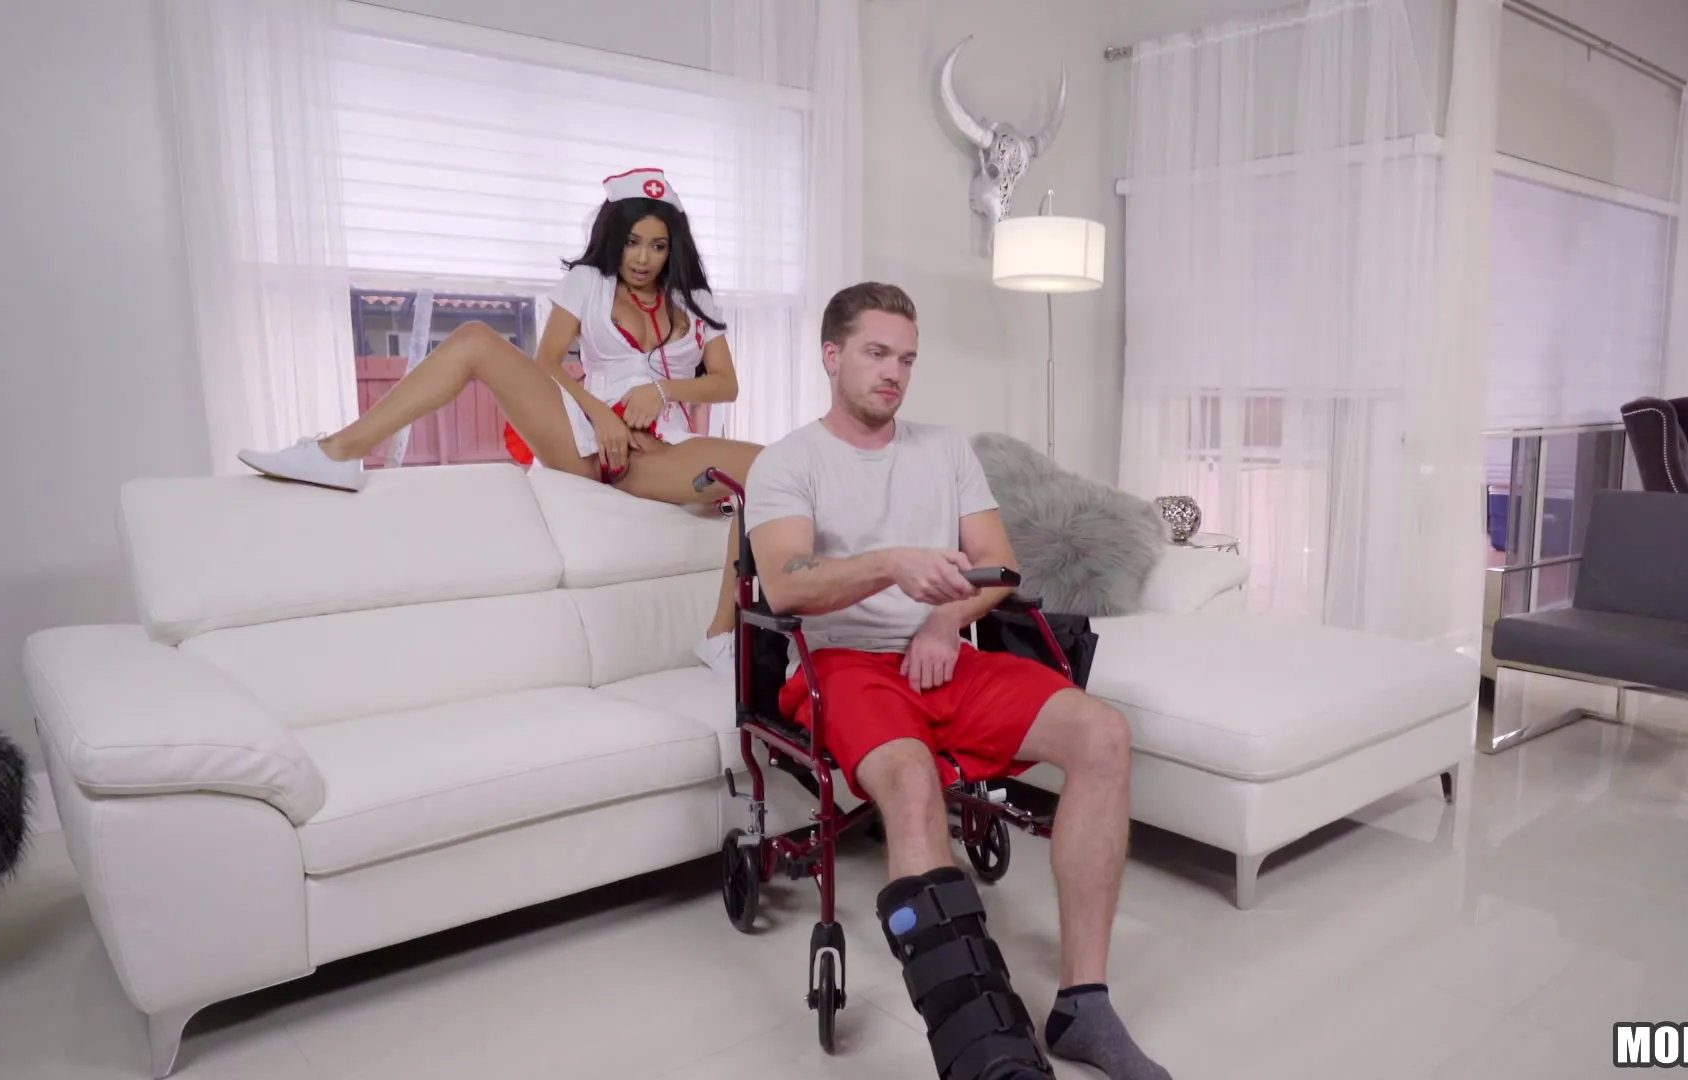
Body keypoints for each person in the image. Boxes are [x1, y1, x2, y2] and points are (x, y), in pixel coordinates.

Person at [744, 283, 1170, 1080]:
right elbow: (787, 586)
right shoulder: (788, 461)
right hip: (844, 665)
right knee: (911, 785)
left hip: (944, 658)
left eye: (906, 359)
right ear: (832, 356)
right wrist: (889, 565)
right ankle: (984, 1049)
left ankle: (1084, 1005)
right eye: (876, 353)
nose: (894, 373)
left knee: (1103, 733)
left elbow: (999, 565)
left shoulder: (944, 450)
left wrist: (945, 622)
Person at [238, 168, 759, 673]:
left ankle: (722, 637)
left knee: (768, 469)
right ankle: (337, 452)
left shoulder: (694, 299)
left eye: (657, 245)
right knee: (475, 340)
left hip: (663, 445)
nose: (642, 258)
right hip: (587, 434)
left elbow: (725, 382)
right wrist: (600, 414)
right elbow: (547, 361)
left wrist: (662, 389)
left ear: (673, 247)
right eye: (631, 242)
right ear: (613, 238)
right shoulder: (587, 282)